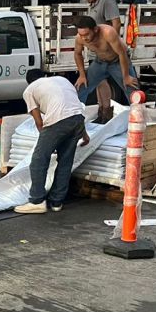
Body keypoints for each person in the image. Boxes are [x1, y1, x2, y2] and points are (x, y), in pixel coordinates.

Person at [14, 70, 89, 214]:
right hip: (78, 120)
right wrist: (84, 135)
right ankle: (56, 201)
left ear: (29, 82)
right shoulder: (62, 80)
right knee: (65, 162)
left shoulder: (29, 90)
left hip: (58, 121)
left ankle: (37, 201)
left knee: (38, 160)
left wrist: (49, 142)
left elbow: (39, 122)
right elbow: (72, 107)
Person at [73, 16, 139, 122]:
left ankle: (137, 122)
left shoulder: (108, 32)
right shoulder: (79, 38)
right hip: (100, 62)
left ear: (95, 29)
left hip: (118, 61)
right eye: (81, 35)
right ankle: (74, 121)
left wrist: (126, 76)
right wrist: (81, 75)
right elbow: (77, 54)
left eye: (86, 35)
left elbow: (122, 53)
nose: (84, 38)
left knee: (133, 92)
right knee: (80, 87)